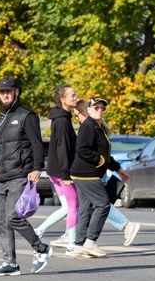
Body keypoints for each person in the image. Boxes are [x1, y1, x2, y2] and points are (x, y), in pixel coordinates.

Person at [0, 77, 52, 276]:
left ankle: (41, 248)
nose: (5, 95)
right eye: (2, 92)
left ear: (16, 92)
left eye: (9, 91)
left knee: (13, 217)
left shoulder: (27, 115)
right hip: (1, 175)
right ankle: (9, 263)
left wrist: (37, 169)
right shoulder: (0, 118)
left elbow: (37, 144)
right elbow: (2, 148)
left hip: (20, 174)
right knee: (1, 222)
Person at [70, 97, 129, 258]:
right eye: (96, 108)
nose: (100, 110)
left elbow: (105, 153)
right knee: (103, 205)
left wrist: (118, 168)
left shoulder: (98, 127)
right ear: (89, 109)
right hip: (87, 174)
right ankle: (90, 243)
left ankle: (78, 245)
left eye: (103, 108)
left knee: (87, 209)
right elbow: (82, 150)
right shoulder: (88, 126)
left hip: (85, 173)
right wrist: (100, 161)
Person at [35, 84, 80, 254]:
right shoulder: (62, 121)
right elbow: (62, 148)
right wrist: (66, 174)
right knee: (74, 206)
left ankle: (39, 230)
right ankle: (72, 245)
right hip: (62, 173)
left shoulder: (61, 118)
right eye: (72, 95)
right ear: (63, 100)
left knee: (67, 208)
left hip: (55, 171)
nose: (76, 98)